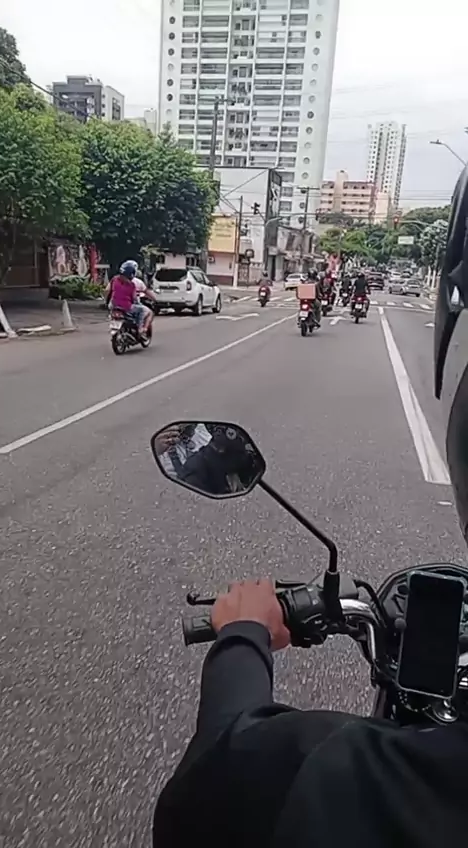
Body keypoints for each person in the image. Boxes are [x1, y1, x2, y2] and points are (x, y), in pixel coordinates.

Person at [152, 169, 468, 848]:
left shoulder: (382, 786)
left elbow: (215, 787)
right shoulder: (315, 281)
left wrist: (243, 638)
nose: (327, 279)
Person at [106, 260, 152, 337]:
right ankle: (140, 328)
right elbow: (134, 299)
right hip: (126, 307)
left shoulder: (114, 279)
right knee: (142, 310)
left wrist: (107, 301)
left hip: (113, 305)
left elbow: (107, 291)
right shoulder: (131, 285)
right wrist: (138, 303)